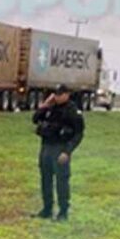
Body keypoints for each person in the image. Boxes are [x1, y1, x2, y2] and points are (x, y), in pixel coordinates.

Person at [32, 84, 85, 221]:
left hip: (60, 148)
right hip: (46, 147)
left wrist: (67, 152)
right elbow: (35, 119)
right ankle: (47, 209)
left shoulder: (72, 111)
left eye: (60, 94)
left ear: (67, 94)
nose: (57, 96)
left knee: (61, 181)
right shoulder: (51, 107)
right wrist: (45, 105)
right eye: (55, 94)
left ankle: (63, 212)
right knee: (46, 179)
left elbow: (78, 134)